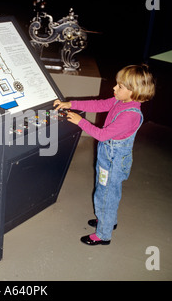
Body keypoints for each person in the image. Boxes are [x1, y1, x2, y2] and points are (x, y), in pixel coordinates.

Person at [54, 64, 155, 246]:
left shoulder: (130, 114)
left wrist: (81, 121)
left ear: (134, 91)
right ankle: (108, 220)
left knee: (106, 194)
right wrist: (72, 104)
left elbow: (102, 134)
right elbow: (98, 105)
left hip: (113, 160)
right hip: (108, 155)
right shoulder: (120, 101)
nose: (114, 88)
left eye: (120, 86)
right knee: (107, 192)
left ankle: (103, 234)